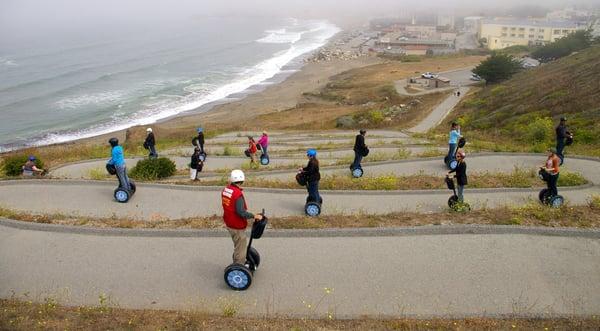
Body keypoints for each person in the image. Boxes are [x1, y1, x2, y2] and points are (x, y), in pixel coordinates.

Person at [221, 169, 263, 265]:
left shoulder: (226, 189)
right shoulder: (237, 194)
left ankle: (238, 261)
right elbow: (241, 212)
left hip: (229, 221)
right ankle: (238, 267)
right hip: (236, 225)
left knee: (238, 245)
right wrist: (254, 216)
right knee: (240, 247)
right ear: (242, 180)